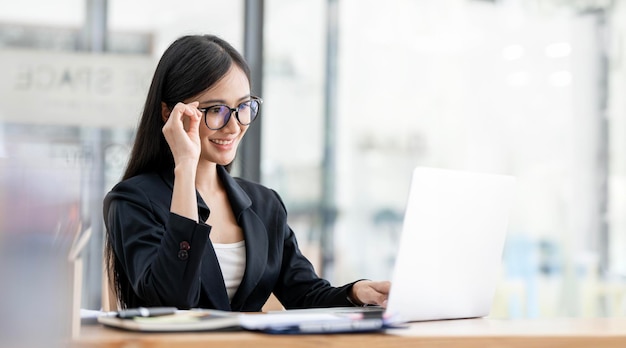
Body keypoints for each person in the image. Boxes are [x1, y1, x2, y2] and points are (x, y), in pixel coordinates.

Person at [103, 34, 390, 311]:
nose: (234, 126)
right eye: (215, 109)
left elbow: (304, 294)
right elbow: (172, 299)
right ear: (169, 113)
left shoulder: (265, 204)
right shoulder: (132, 201)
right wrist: (186, 166)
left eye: (243, 106)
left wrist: (355, 292)